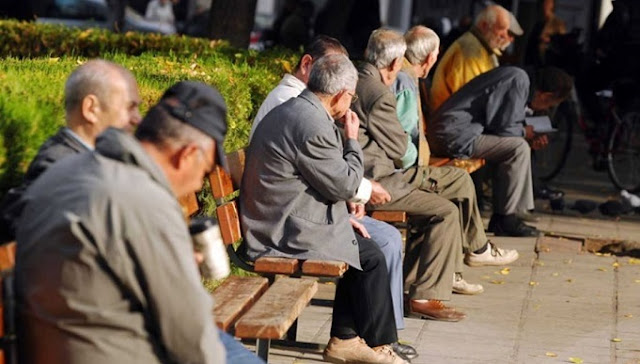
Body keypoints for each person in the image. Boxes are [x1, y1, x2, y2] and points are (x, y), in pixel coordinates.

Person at [15, 81, 264, 364]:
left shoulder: (68, 169)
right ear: (187, 155)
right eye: (205, 171)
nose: (199, 182)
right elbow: (190, 338)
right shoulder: (147, 202)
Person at [250, 35, 416, 360]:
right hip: (280, 229)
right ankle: (374, 344)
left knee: (362, 247)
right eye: (351, 98)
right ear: (340, 94)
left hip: (282, 214)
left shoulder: (302, 109)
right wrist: (353, 139)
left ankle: (347, 338)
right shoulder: (311, 123)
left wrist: (342, 221)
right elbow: (345, 184)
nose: (350, 104)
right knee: (369, 257)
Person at [353, 28, 516, 323]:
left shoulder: (359, 78)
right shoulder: (378, 92)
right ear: (392, 64)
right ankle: (424, 295)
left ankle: (429, 282)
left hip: (372, 175)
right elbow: (399, 146)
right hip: (377, 181)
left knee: (453, 187)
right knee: (444, 211)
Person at [393, 25, 518, 276]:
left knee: (452, 192)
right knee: (455, 189)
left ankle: (452, 272)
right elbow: (403, 144)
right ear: (430, 58)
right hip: (401, 170)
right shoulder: (405, 80)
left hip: (407, 163)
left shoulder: (406, 76)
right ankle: (472, 254)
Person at [0, 59, 142, 244]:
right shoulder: (59, 168)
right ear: (91, 109)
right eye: (130, 107)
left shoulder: (81, 159)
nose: (137, 118)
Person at [428, 66, 573, 236]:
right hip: (455, 135)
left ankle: (506, 216)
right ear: (545, 95)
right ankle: (506, 219)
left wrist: (525, 134)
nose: (545, 109)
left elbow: (500, 123)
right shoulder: (518, 80)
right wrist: (526, 133)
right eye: (549, 105)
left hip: (454, 132)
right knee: (518, 148)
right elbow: (503, 126)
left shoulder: (518, 77)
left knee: (516, 147)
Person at [429, 4, 522, 113]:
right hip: (452, 121)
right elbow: (472, 101)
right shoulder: (469, 51)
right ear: (484, 26)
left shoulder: (481, 48)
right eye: (502, 29)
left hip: (455, 119)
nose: (507, 37)